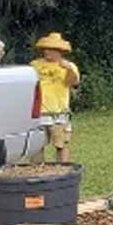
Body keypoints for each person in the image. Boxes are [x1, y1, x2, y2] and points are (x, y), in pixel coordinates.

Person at [30, 33, 81, 163]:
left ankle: (62, 171)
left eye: (51, 49)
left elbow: (73, 82)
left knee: (61, 145)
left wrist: (69, 69)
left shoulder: (69, 66)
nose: (46, 51)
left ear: (59, 51)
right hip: (38, 113)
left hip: (59, 113)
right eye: (45, 48)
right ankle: (37, 171)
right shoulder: (34, 65)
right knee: (36, 146)